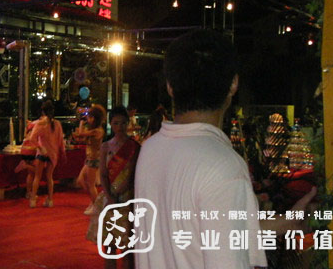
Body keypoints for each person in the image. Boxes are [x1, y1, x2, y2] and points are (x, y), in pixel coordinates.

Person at [134, 29, 316, 268]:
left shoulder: (151, 149)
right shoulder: (223, 166)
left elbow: (200, 232)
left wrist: (286, 223)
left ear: (170, 86)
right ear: (233, 84)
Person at [86, 105, 140, 269]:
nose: (120, 127)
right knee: (109, 246)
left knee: (127, 247)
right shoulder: (106, 146)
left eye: (123, 123)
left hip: (128, 199)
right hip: (109, 199)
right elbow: (103, 173)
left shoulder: (134, 147)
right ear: (110, 124)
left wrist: (118, 194)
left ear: (128, 123)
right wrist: (109, 196)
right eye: (116, 123)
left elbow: (133, 174)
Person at [29, 100, 67, 208]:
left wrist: (40, 147)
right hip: (53, 154)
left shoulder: (40, 124)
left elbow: (32, 139)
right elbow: (61, 141)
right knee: (49, 177)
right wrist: (63, 152)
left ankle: (33, 199)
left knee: (37, 176)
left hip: (42, 152)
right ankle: (50, 199)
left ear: (43, 111)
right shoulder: (57, 124)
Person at [73, 103, 106, 215]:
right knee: (80, 181)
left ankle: (97, 206)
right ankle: (94, 201)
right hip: (89, 159)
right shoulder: (94, 130)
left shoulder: (98, 130)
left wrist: (81, 123)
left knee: (91, 185)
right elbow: (81, 137)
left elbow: (81, 133)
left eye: (90, 117)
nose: (88, 119)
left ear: (94, 118)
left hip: (94, 159)